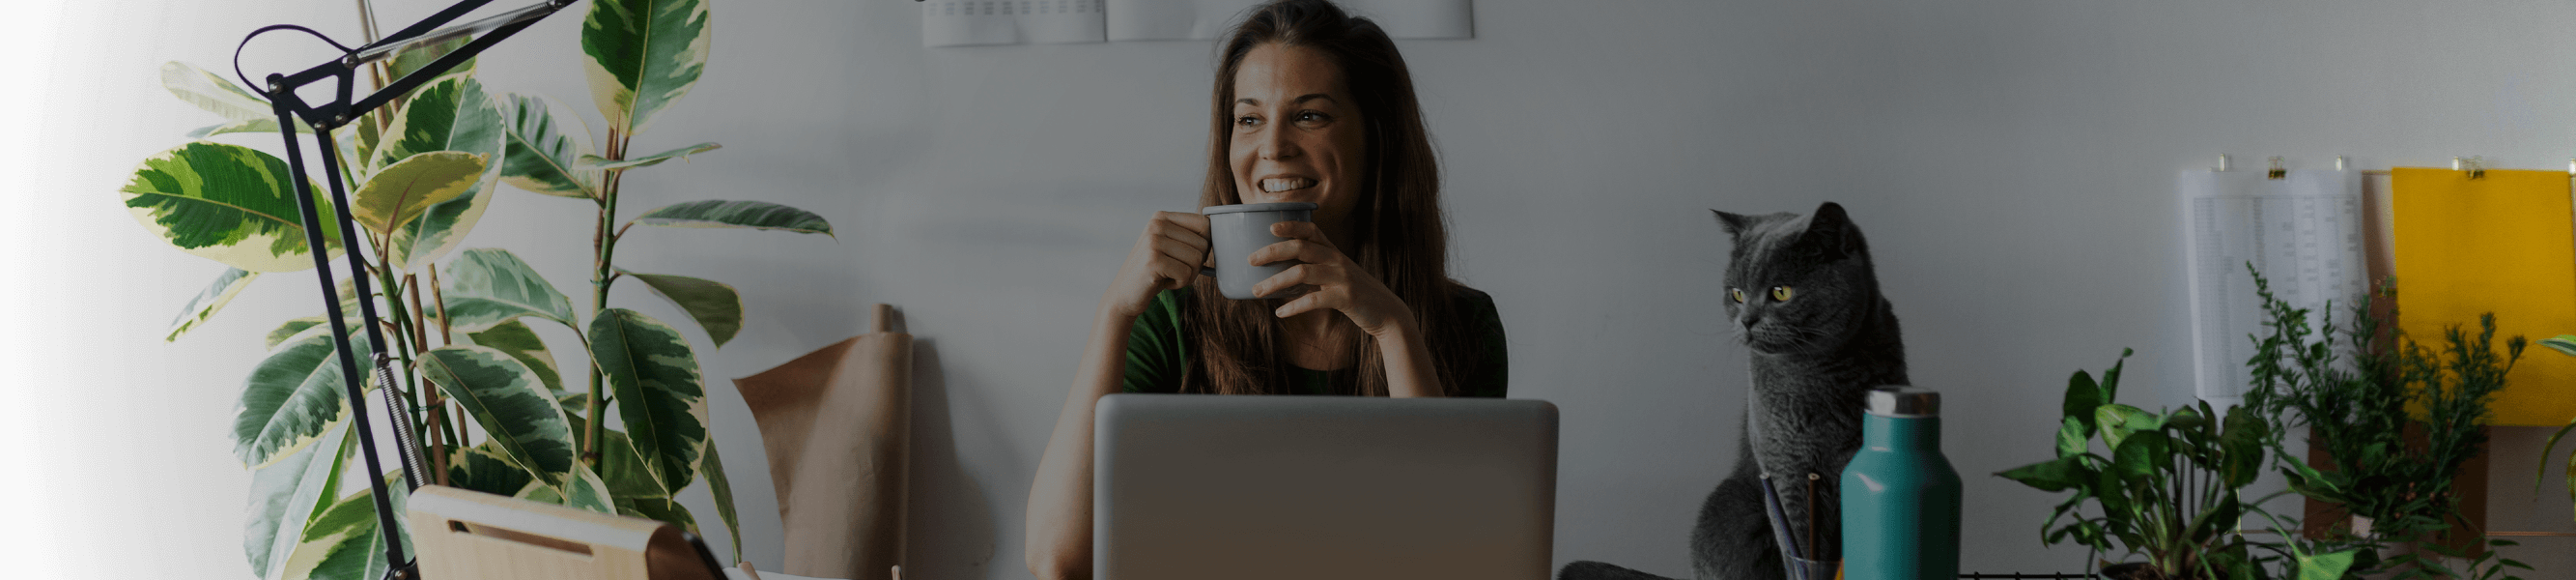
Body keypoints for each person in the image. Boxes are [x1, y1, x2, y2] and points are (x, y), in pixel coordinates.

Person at [1021, 1, 1509, 578]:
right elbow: (1058, 559)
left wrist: (1393, 327)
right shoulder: (1171, 320)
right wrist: (1115, 311)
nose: (1272, 147)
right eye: (1249, 119)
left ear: (1376, 137)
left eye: (1309, 116)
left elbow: (1448, 556)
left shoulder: (1462, 322)